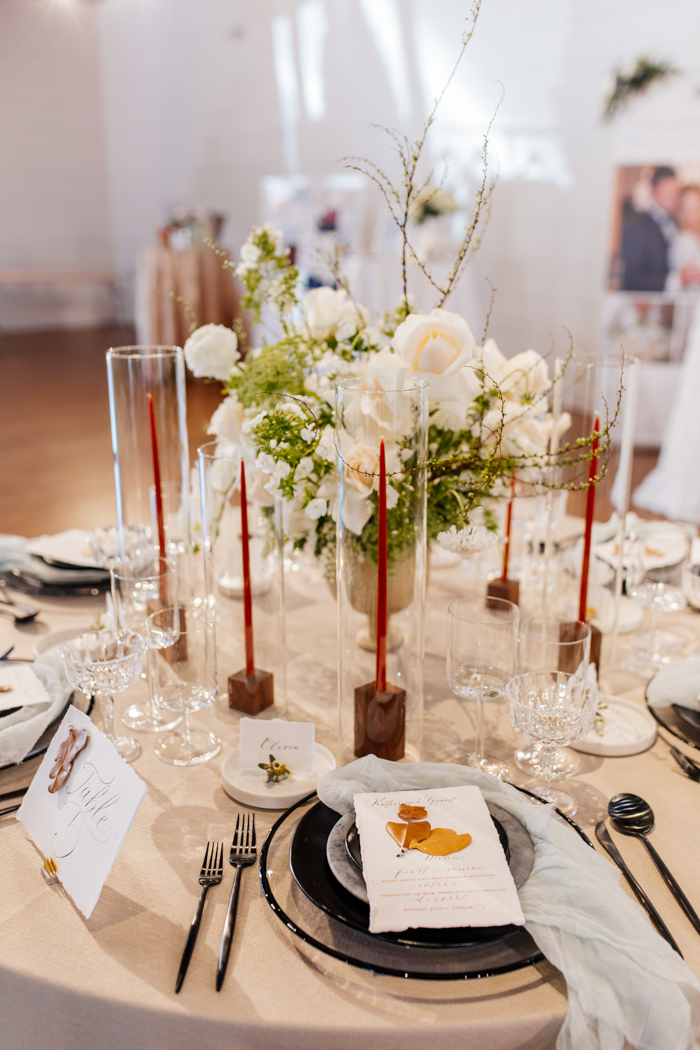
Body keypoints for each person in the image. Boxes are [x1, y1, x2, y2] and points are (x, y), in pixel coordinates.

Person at [620, 167, 679, 291]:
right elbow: (632, 279)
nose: (672, 198)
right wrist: (676, 281)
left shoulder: (675, 224)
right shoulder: (636, 227)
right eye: (667, 192)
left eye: (675, 193)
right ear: (654, 192)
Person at [667, 184, 700, 290]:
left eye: (697, 205)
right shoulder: (683, 241)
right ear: (681, 211)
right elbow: (691, 281)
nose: (694, 211)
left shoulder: (695, 238)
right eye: (689, 207)